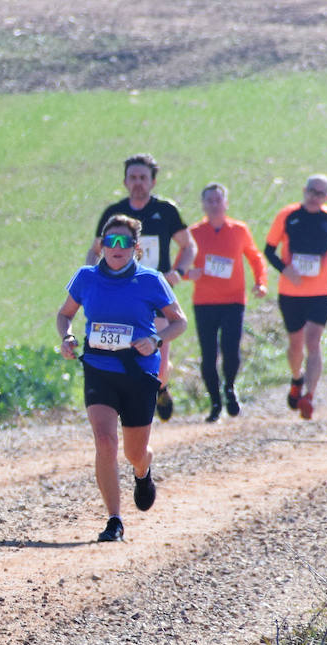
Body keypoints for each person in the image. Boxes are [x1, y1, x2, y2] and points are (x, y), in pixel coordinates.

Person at [58, 215, 187, 542]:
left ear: (135, 248)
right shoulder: (86, 278)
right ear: (101, 245)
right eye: (110, 241)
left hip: (139, 371)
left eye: (124, 242)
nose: (116, 248)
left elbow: (179, 322)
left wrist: (156, 341)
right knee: (104, 441)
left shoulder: (151, 280)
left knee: (134, 452)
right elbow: (65, 314)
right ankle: (114, 520)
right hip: (100, 368)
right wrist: (68, 337)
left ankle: (143, 472)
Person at [86, 153, 195, 422]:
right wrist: (93, 277)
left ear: (153, 181)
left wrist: (178, 272)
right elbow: (94, 251)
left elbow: (188, 245)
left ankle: (161, 386)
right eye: (133, 178)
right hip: (121, 294)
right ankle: (124, 401)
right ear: (124, 181)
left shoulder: (166, 211)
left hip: (156, 295)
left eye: (143, 178)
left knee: (159, 357)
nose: (138, 183)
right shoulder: (114, 215)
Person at [264, 174, 327, 420]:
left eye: (320, 193)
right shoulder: (287, 215)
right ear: (304, 190)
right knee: (296, 344)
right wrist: (285, 270)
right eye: (311, 191)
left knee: (313, 341)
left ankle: (309, 396)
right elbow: (269, 250)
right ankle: (297, 378)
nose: (314, 196)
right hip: (290, 292)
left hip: (321, 292)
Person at [183, 183, 268, 421]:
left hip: (233, 301)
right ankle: (215, 403)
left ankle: (230, 388)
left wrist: (261, 282)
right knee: (208, 356)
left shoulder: (239, 230)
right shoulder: (194, 233)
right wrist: (190, 274)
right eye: (209, 200)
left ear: (226, 203)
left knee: (231, 350)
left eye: (218, 200)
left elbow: (255, 257)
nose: (214, 204)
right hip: (205, 302)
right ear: (203, 205)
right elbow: (179, 266)